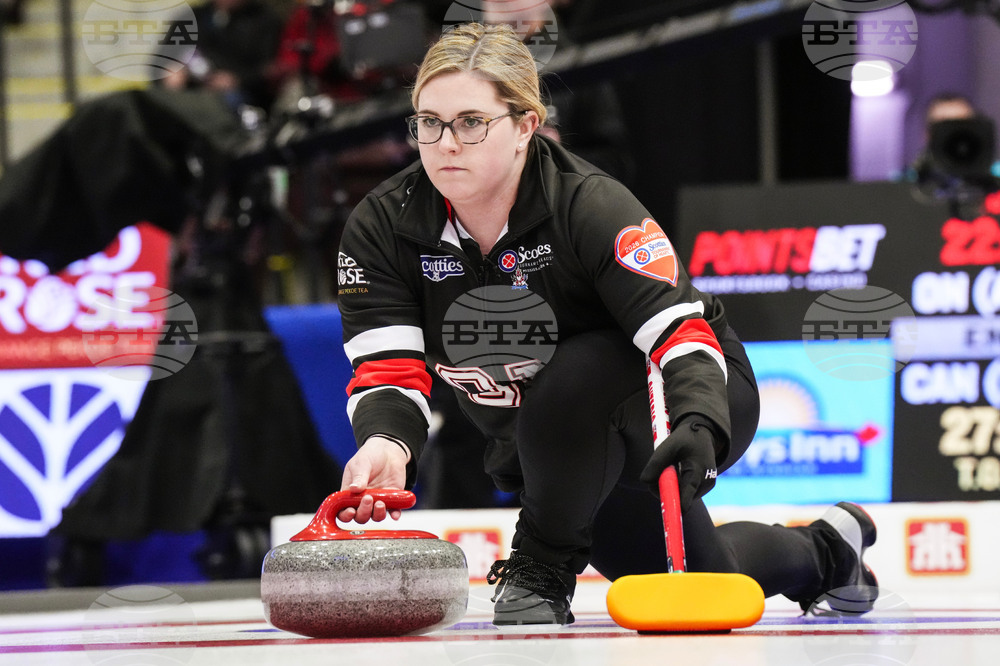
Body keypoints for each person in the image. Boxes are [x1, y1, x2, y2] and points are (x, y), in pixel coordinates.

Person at [333, 22, 878, 626]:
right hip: (550, 441)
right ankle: (828, 551)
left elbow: (678, 333)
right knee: (691, 581)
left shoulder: (591, 205)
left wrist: (700, 421)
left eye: (470, 122)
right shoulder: (381, 227)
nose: (445, 144)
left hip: (678, 392)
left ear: (524, 127)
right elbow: (388, 371)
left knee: (576, 366)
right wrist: (387, 443)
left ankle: (540, 563)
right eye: (427, 123)